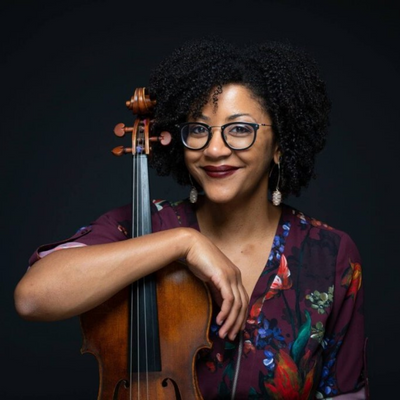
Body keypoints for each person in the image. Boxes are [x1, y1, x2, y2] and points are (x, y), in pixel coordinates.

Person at [14, 36, 368, 399]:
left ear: (280, 144)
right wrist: (183, 242)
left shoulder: (330, 255)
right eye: (198, 129)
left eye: (240, 129)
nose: (214, 149)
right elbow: (32, 297)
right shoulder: (143, 226)